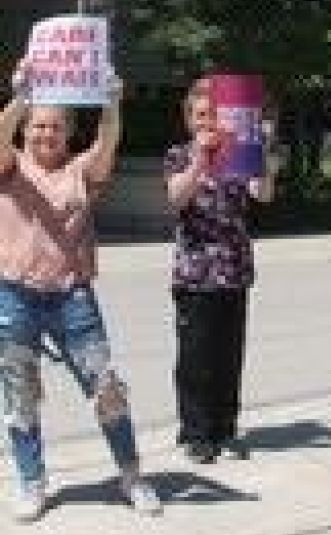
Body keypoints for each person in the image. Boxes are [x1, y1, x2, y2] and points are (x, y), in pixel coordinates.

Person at [0, 60, 161, 521]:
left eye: (54, 127)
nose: (45, 134)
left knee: (106, 387)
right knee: (20, 396)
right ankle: (33, 484)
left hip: (73, 299)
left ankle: (131, 476)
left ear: (67, 133)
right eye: (37, 126)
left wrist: (111, 103)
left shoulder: (80, 170)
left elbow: (107, 142)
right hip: (15, 298)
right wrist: (21, 98)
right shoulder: (10, 166)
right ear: (26, 130)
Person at [164, 78, 279, 463]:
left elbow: (263, 195)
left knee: (229, 356)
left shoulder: (239, 155)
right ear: (188, 120)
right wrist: (200, 158)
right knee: (196, 357)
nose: (206, 123)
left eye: (212, 115)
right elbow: (176, 196)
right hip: (195, 275)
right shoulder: (179, 155)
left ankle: (225, 429)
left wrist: (260, 151)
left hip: (234, 269)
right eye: (199, 116)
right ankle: (195, 433)